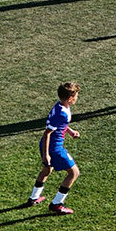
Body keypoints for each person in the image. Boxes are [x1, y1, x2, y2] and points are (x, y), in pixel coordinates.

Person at [26, 82, 82, 215]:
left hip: (47, 144)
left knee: (47, 169)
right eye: (76, 96)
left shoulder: (60, 106)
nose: (77, 98)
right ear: (70, 98)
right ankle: (56, 204)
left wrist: (70, 131)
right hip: (54, 147)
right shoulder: (62, 113)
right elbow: (48, 133)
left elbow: (60, 125)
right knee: (74, 173)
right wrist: (46, 154)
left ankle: (33, 198)